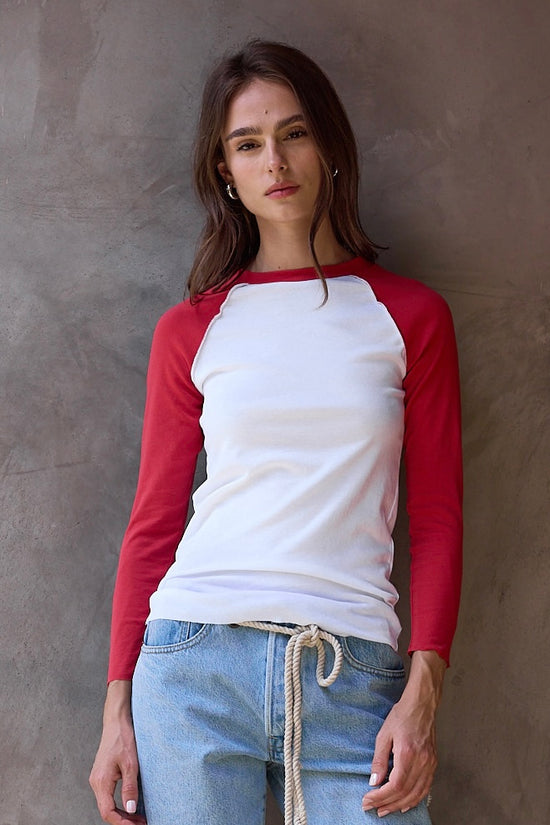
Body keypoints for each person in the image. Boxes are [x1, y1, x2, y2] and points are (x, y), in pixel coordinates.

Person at [89, 40, 462, 825]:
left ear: (328, 144)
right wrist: (116, 707)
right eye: (248, 143)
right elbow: (154, 523)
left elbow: (435, 520)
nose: (275, 160)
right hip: (193, 667)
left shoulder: (410, 317)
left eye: (293, 133)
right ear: (225, 169)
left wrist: (424, 693)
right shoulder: (191, 329)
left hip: (351, 677)